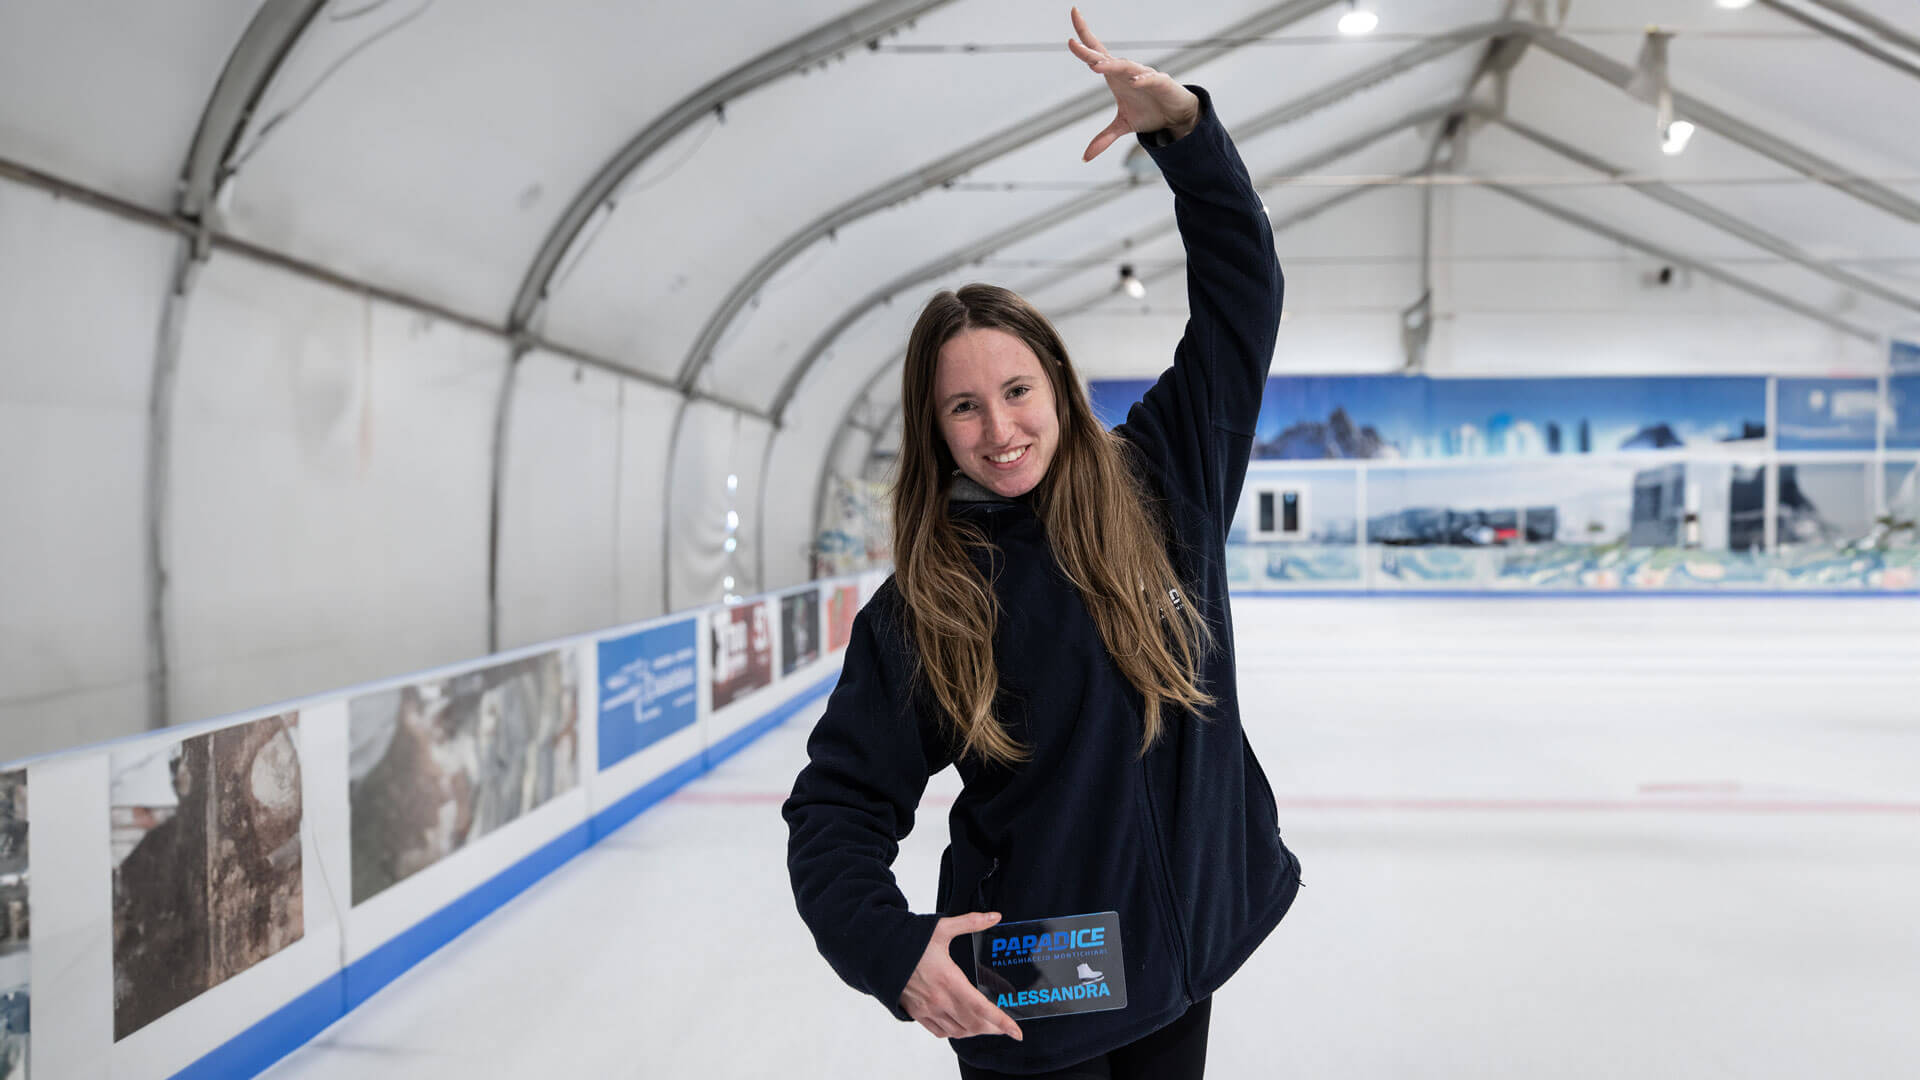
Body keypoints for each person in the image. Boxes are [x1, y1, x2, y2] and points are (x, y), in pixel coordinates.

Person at [782, 9, 1301, 1077]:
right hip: (1034, 989)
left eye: (1017, 390)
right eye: (963, 408)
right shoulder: (928, 602)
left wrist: (1185, 135)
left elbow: (1244, 297)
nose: (1000, 427)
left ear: (1058, 387)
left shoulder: (1164, 479)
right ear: (934, 430)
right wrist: (889, 948)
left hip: (1181, 954)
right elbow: (837, 803)